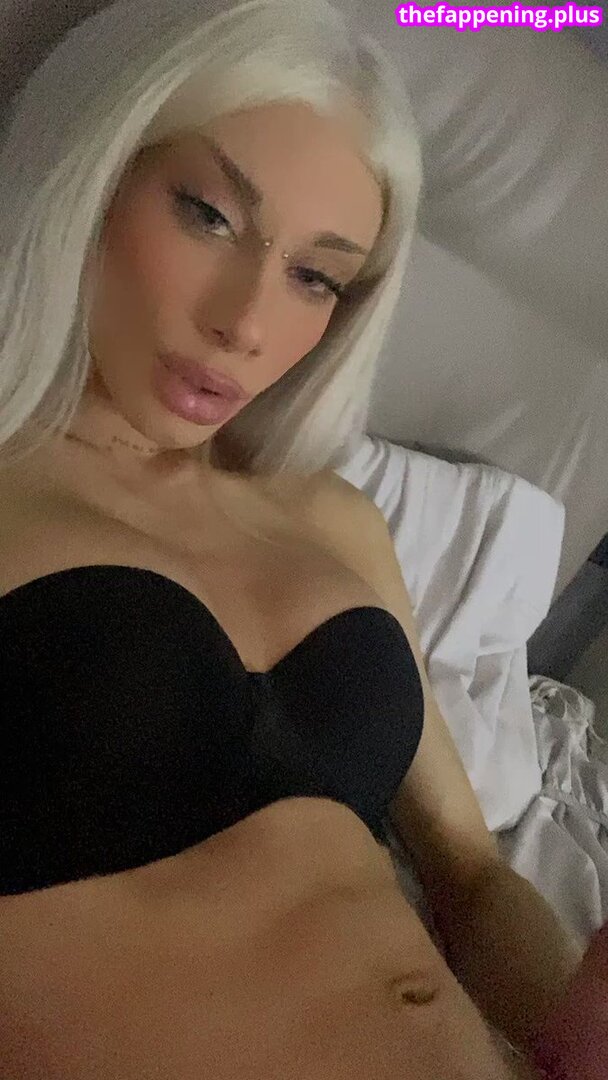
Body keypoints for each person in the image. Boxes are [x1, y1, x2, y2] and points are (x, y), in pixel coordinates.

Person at [0, 1, 584, 1076]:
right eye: (208, 216)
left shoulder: (331, 519)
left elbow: (468, 878)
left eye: (316, 276)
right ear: (93, 165)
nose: (248, 324)